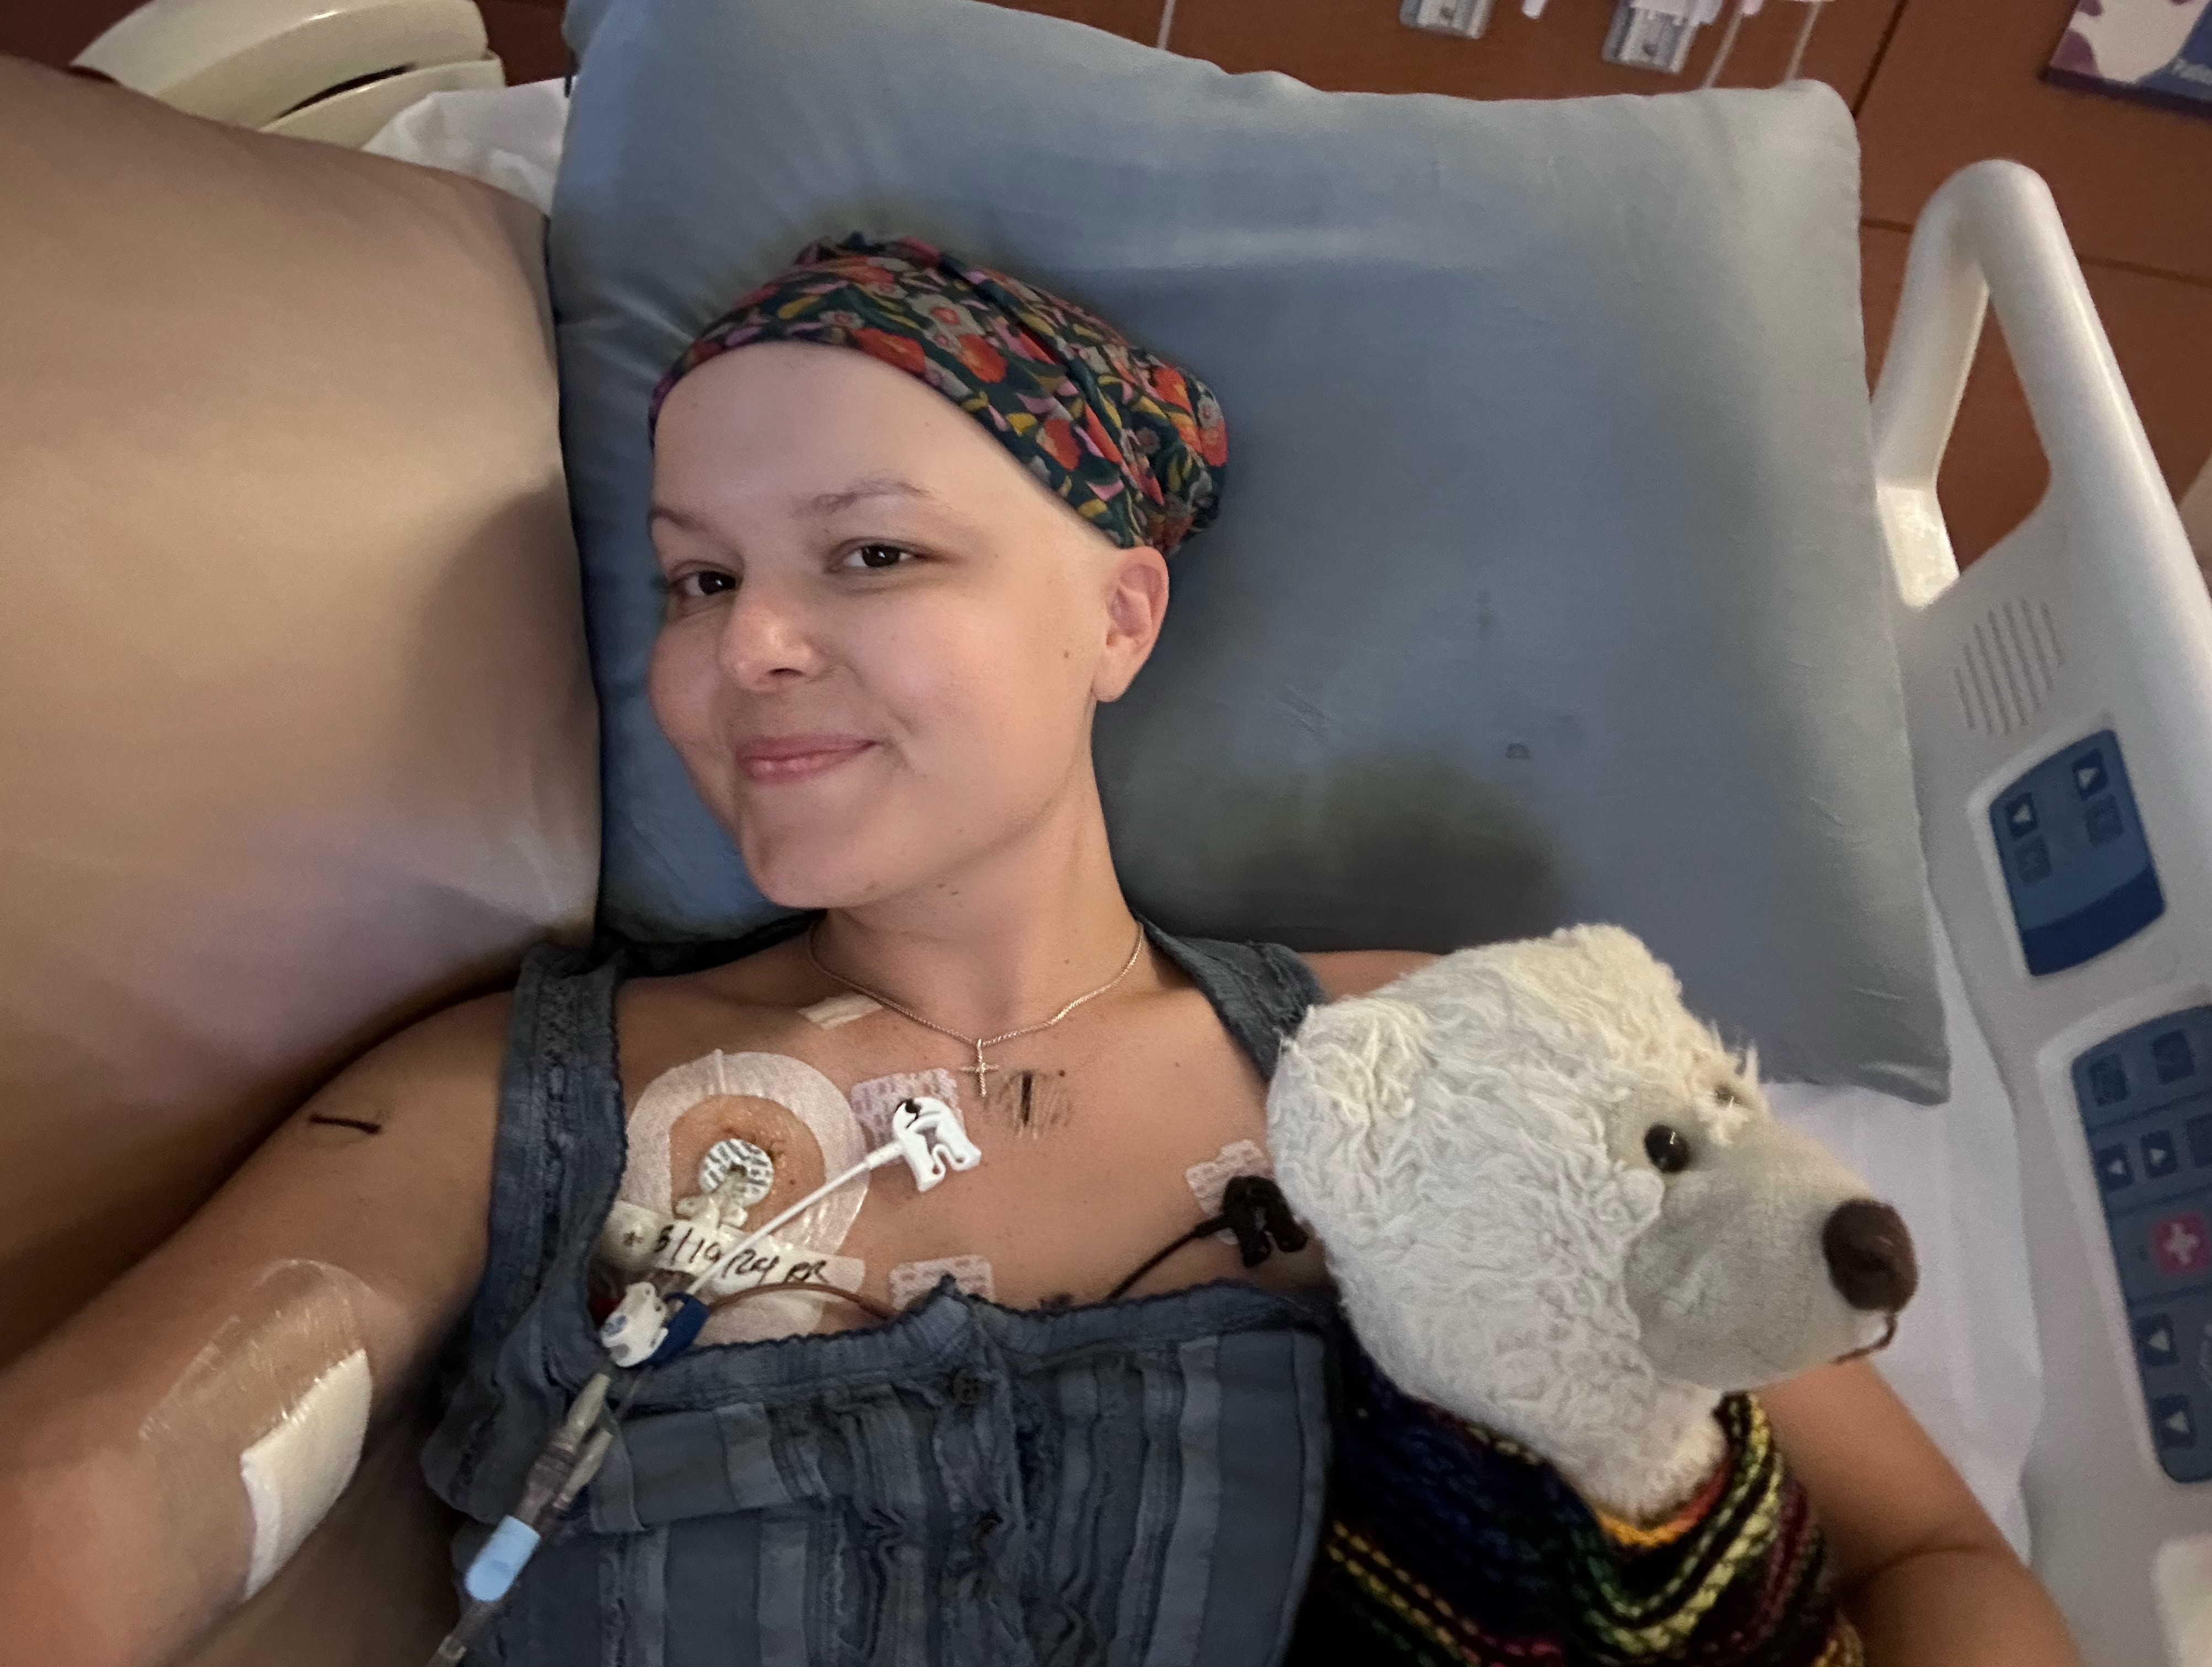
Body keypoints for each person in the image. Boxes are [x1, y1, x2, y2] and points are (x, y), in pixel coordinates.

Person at [0, 236, 2078, 1667]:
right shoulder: (517, 1103)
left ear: (1120, 618)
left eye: (872, 552)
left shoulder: (1424, 1053)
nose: (744, 651)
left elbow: (1930, 1553)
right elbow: (111, 1481)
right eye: (696, 577)